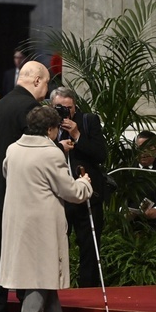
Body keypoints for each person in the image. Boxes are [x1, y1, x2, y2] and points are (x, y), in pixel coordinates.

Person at [0, 106, 93, 312]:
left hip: (17, 217)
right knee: (39, 271)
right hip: (41, 221)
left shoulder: (13, 149)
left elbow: (6, 174)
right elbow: (70, 191)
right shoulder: (51, 153)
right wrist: (85, 183)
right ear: (51, 129)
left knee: (43, 268)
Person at [0, 60, 50, 312]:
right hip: (20, 195)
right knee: (24, 255)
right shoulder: (30, 108)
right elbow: (34, 154)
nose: (46, 88)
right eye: (46, 83)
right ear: (35, 81)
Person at [50, 87, 107, 288]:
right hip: (58, 196)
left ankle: (88, 294)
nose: (65, 113)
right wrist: (59, 147)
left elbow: (101, 154)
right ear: (51, 107)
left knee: (89, 249)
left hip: (87, 194)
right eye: (60, 108)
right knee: (55, 247)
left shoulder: (87, 121)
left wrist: (77, 135)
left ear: (75, 106)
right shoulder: (46, 124)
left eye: (69, 108)